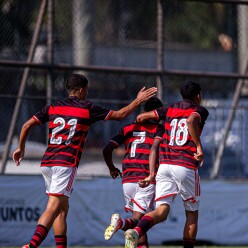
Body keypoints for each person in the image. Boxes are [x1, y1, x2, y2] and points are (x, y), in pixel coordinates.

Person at [12, 73, 157, 248]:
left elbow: (26, 125)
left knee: (61, 210)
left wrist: (21, 148)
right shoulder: (87, 108)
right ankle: (32, 245)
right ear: (81, 90)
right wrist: (138, 100)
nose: (87, 93)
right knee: (52, 208)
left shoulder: (53, 107)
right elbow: (120, 115)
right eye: (87, 90)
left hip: (47, 163)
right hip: (65, 164)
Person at [124, 81, 209, 248]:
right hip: (185, 164)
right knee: (191, 213)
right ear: (198, 96)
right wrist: (198, 146)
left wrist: (151, 116)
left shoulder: (169, 109)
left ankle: (136, 232)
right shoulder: (200, 110)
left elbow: (141, 117)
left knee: (162, 212)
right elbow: (192, 120)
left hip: (165, 166)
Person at [103, 97, 164, 248]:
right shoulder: (160, 129)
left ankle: (124, 226)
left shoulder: (128, 128)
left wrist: (111, 168)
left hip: (128, 178)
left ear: (143, 112)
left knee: (138, 228)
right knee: (139, 222)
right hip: (145, 178)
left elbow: (107, 149)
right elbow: (155, 150)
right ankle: (120, 223)